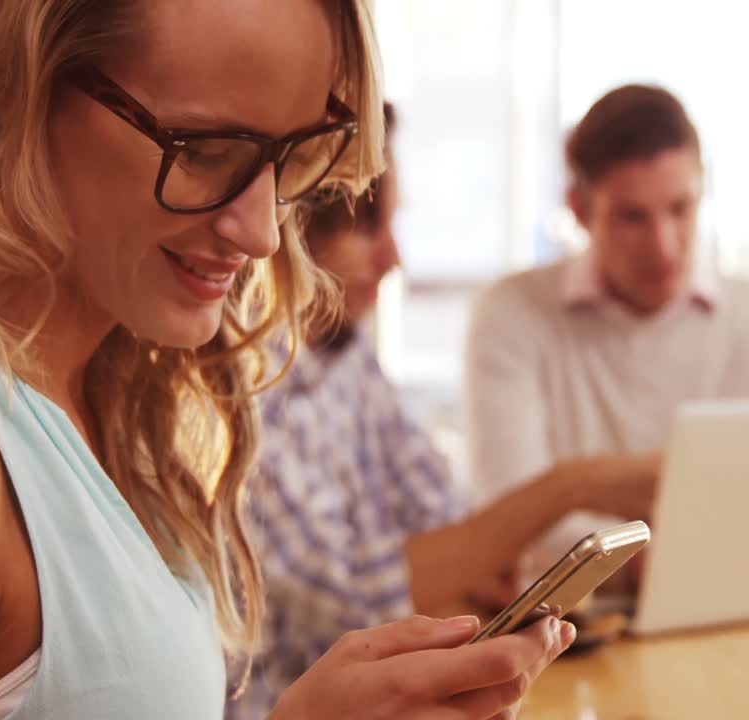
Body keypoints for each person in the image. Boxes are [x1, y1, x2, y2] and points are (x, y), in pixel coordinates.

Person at [0, 2, 571, 718]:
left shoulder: (105, 399)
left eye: (292, 156)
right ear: (23, 93)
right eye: (204, 151)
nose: (263, 235)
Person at [232, 104, 644, 714]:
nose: (393, 257)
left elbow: (445, 526)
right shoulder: (246, 385)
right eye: (367, 226)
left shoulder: (344, 355)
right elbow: (355, 595)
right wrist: (569, 486)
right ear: (288, 229)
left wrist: (481, 569)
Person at [465, 84, 749, 560]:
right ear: (579, 210)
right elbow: (507, 518)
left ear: (704, 189)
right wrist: (675, 561)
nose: (663, 245)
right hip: (582, 627)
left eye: (681, 209)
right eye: (631, 217)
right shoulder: (513, 315)